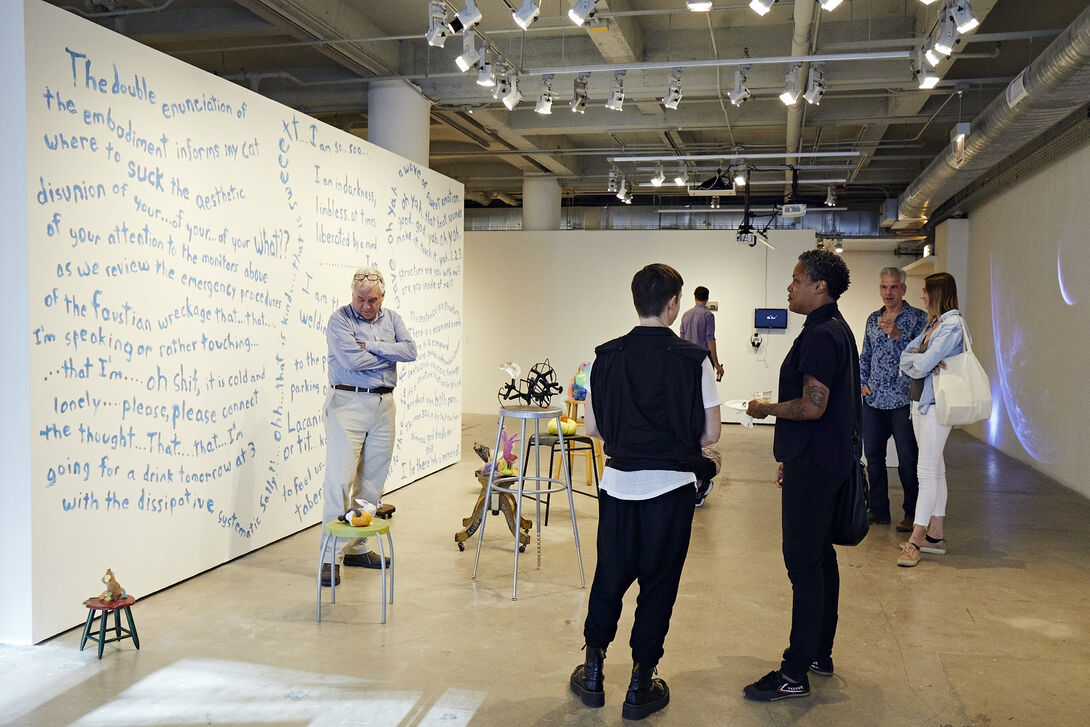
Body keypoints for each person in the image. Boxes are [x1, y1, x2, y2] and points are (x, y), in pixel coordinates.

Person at [569, 263, 721, 721]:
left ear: (636, 300)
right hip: (671, 489)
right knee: (659, 584)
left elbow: (591, 427)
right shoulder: (695, 361)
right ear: (673, 304)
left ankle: (593, 671)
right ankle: (640, 683)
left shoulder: (603, 357)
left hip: (617, 485)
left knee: (609, 577)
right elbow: (711, 434)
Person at [743, 249, 858, 702]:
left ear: (819, 287)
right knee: (820, 561)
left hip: (816, 468)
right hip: (820, 461)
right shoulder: (837, 329)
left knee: (803, 566)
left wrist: (764, 408)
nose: (789, 288)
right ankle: (818, 653)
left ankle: (794, 671)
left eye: (796, 280)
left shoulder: (820, 336)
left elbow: (813, 405)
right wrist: (789, 456)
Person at [320, 267, 417, 586]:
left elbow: (410, 351)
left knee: (372, 481)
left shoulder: (393, 319)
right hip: (347, 403)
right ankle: (329, 557)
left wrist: (372, 347)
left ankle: (357, 548)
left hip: (383, 405)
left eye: (372, 300)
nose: (366, 306)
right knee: (340, 479)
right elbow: (351, 362)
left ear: (382, 297)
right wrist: (389, 354)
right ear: (352, 296)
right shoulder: (339, 320)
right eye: (360, 299)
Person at [896, 272, 964, 568]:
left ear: (937, 293)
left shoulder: (952, 326)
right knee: (935, 469)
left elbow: (920, 363)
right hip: (920, 403)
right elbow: (906, 358)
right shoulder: (932, 324)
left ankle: (916, 539)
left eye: (925, 291)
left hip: (936, 405)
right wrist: (918, 362)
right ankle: (935, 535)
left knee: (925, 471)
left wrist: (919, 362)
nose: (921, 295)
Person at [860, 267, 927, 531]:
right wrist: (862, 382)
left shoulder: (918, 319)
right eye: (884, 287)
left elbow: (921, 358)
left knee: (908, 460)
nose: (888, 292)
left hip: (903, 401)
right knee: (873, 458)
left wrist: (897, 336)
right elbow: (865, 353)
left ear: (903, 289)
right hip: (874, 400)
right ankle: (878, 510)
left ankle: (912, 514)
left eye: (894, 287)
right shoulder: (872, 319)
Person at [678, 285, 724, 507]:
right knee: (703, 412)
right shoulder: (707, 315)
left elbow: (680, 340)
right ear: (707, 298)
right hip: (701, 365)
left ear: (694, 297)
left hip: (684, 368)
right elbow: (710, 341)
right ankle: (699, 473)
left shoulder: (685, 315)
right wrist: (716, 364)